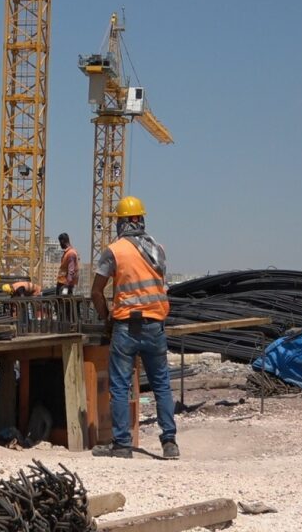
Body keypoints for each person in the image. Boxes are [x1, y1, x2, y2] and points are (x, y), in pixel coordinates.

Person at [89, 196, 178, 459]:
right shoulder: (157, 249)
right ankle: (169, 443)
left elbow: (96, 292)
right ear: (141, 219)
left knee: (119, 386)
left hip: (126, 327)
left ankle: (122, 445)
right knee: (161, 385)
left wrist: (106, 319)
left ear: (122, 222)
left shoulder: (114, 251)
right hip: (155, 326)